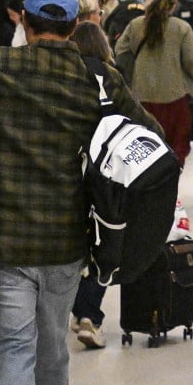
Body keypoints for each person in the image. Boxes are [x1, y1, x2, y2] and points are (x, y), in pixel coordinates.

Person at [0, 0, 159, 385]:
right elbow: (150, 138)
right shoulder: (96, 78)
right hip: (66, 244)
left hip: (1, 244)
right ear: (74, 25)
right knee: (52, 350)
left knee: (12, 349)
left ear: (25, 22)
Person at [115, 0, 193, 168]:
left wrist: (133, 75)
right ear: (174, 4)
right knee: (175, 153)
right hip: (176, 98)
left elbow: (120, 51)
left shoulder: (136, 25)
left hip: (141, 99)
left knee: (145, 151)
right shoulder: (181, 27)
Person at [67, 20, 115, 350]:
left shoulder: (62, 76)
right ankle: (89, 316)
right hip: (106, 174)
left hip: (67, 173)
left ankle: (79, 310)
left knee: (71, 249)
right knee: (106, 248)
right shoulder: (109, 76)